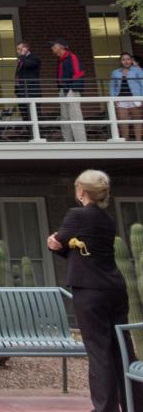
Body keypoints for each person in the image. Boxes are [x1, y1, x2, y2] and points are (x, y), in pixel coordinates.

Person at [47, 170, 138, 412]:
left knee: (98, 350)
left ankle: (104, 408)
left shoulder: (76, 214)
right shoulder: (107, 219)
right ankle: (134, 403)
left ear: (82, 191)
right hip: (115, 288)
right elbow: (86, 250)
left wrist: (53, 244)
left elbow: (60, 240)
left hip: (89, 290)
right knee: (121, 347)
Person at [52, 38, 87, 142]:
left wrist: (73, 89)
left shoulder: (72, 57)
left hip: (72, 90)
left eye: (54, 46)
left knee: (75, 117)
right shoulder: (61, 60)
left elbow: (78, 73)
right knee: (64, 118)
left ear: (62, 47)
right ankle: (67, 141)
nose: (52, 48)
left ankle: (81, 142)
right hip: (63, 90)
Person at [111, 52, 143, 141]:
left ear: (131, 60)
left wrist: (142, 98)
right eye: (123, 60)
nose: (126, 61)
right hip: (121, 99)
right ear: (120, 61)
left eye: (128, 59)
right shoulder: (115, 72)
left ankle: (138, 141)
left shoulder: (137, 71)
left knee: (137, 120)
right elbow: (112, 86)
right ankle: (126, 141)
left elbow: (142, 84)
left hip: (135, 98)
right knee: (123, 121)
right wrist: (113, 98)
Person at [14, 41, 43, 135]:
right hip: (21, 91)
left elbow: (28, 65)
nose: (17, 51)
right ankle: (30, 134)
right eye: (17, 49)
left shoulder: (34, 58)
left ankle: (38, 135)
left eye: (19, 49)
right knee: (25, 114)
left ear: (26, 48)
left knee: (34, 114)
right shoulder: (22, 60)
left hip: (31, 91)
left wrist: (22, 55)